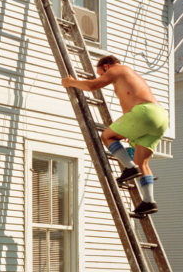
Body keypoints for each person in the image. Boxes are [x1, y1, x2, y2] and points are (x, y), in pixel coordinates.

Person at [61, 55, 169, 217]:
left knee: (107, 137)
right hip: (159, 117)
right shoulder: (129, 75)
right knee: (143, 163)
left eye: (101, 73)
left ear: (106, 66)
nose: (102, 77)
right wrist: (129, 131)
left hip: (144, 112)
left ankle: (129, 168)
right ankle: (149, 201)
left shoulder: (118, 69)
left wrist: (70, 82)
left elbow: (93, 86)